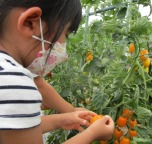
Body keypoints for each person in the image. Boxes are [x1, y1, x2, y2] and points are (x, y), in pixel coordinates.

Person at [0, 1, 115, 144]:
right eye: (65, 34)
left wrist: (62, 119)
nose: (62, 45)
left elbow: (13, 128)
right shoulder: (15, 83)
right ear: (30, 23)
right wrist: (91, 134)